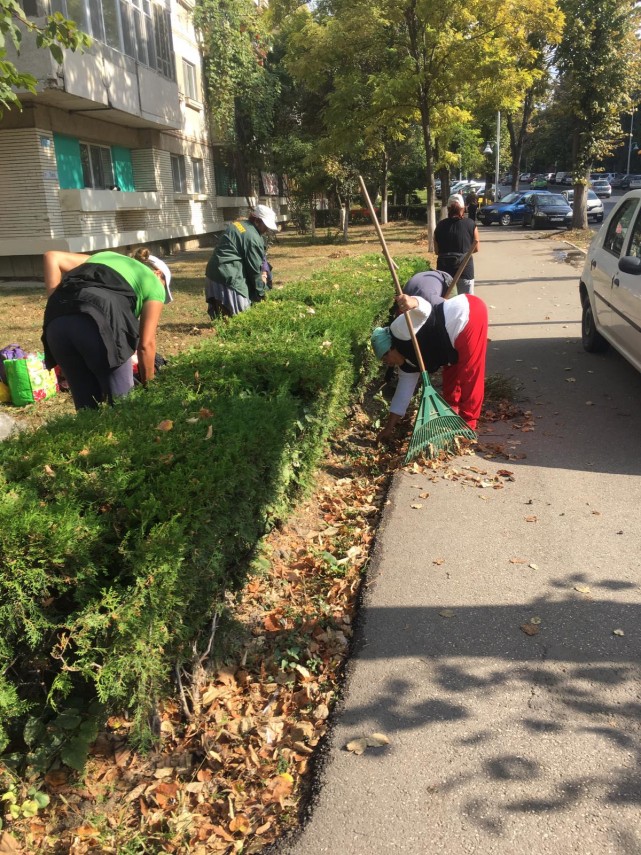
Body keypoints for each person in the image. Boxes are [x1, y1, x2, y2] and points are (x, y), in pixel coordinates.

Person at [42, 247, 172, 410]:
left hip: (56, 324)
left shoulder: (105, 256)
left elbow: (52, 256)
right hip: (99, 324)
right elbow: (146, 345)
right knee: (124, 408)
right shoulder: (154, 282)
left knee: (86, 408)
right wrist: (150, 391)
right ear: (159, 273)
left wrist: (58, 302)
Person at [371, 289, 488, 442]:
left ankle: (468, 423)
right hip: (450, 345)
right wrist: (389, 428)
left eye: (386, 358)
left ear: (391, 347)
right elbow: (402, 396)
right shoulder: (407, 366)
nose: (389, 363)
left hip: (467, 315)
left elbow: (424, 310)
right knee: (451, 372)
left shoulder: (399, 330)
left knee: (469, 372)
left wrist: (412, 302)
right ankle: (452, 412)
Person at [205, 204, 278, 318]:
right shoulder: (253, 237)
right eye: (266, 226)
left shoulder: (239, 224)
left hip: (213, 274)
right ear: (258, 221)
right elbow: (254, 271)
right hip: (227, 276)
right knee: (243, 317)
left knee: (222, 318)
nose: (267, 229)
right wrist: (261, 294)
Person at [434, 194, 479, 295]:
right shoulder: (471, 224)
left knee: (447, 306)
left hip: (444, 273)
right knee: (466, 304)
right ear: (463, 208)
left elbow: (437, 251)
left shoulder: (440, 225)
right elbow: (476, 248)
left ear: (448, 209)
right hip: (465, 271)